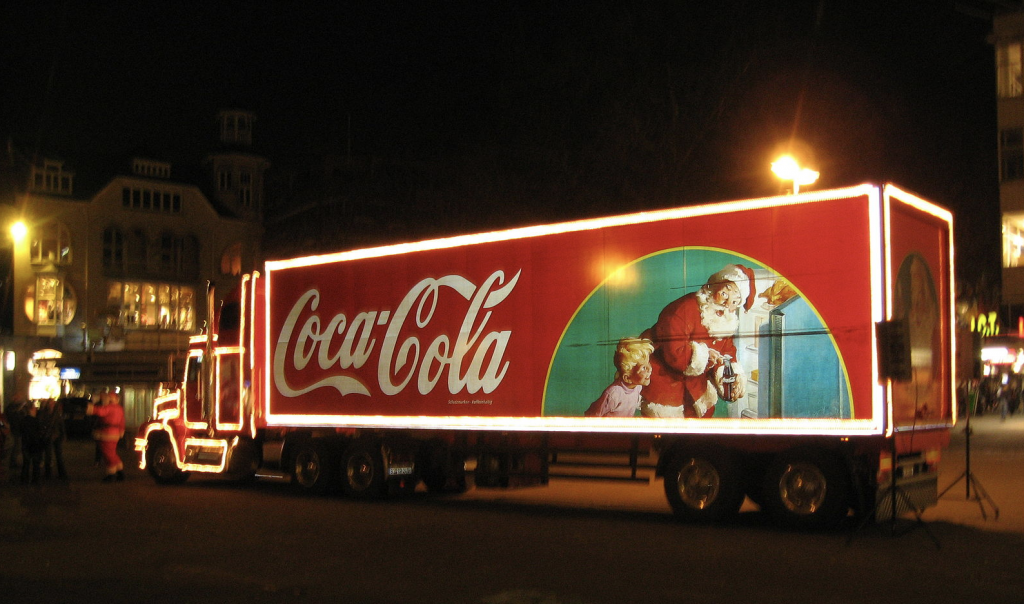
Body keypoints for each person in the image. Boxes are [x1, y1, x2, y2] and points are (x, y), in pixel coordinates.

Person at [641, 265, 751, 418]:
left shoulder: (725, 318)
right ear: (714, 285)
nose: (727, 304)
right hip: (665, 387)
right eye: (725, 293)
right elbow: (674, 354)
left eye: (735, 301)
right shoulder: (682, 309)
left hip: (697, 389)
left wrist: (731, 376)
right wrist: (706, 355)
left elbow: (726, 350)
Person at [584, 338, 654, 417]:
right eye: (644, 368)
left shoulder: (638, 387)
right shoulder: (614, 394)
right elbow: (592, 415)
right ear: (627, 378)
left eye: (648, 363)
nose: (650, 369)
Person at [87, 391, 125, 482]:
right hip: (115, 434)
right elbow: (122, 422)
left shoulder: (109, 407)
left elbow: (100, 412)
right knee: (112, 453)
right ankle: (120, 472)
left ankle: (111, 474)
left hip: (106, 434)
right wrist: (121, 431)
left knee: (108, 454)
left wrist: (90, 407)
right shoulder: (119, 409)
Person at [38, 398, 68, 480]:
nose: (51, 405)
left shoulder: (57, 413)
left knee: (59, 455)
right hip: (48, 436)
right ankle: (48, 474)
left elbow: (61, 425)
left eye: (52, 403)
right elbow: (41, 423)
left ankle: (61, 473)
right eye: (50, 403)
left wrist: (63, 435)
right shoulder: (44, 413)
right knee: (48, 455)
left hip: (56, 436)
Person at [19, 402, 44, 484]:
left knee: (26, 463)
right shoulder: (36, 421)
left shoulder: (23, 420)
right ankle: (35, 480)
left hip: (26, 444)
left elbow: (21, 431)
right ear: (31, 410)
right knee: (35, 464)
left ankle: (24, 479)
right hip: (35, 445)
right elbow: (39, 433)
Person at [5, 397, 27, 479]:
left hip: (16, 430)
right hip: (16, 430)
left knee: (16, 447)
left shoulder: (13, 410)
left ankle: (13, 462)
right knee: (15, 447)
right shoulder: (13, 411)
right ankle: (13, 462)